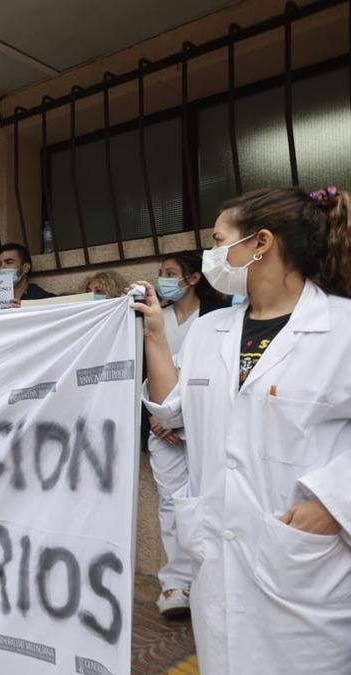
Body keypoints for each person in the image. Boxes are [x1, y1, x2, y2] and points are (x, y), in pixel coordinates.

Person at [136, 186, 351, 674]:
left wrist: (333, 507)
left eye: (218, 240)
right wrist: (153, 333)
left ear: (260, 243)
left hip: (305, 566)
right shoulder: (213, 329)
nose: (212, 256)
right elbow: (174, 408)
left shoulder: (342, 328)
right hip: (219, 559)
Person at [143, 250, 229, 617]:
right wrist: (158, 417)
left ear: (193, 278)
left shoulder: (217, 319)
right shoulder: (152, 318)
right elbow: (143, 372)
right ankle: (175, 584)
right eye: (160, 273)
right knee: (171, 504)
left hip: (204, 423)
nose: (164, 279)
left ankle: (211, 581)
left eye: (171, 273)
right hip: (162, 429)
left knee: (210, 499)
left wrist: (184, 417)